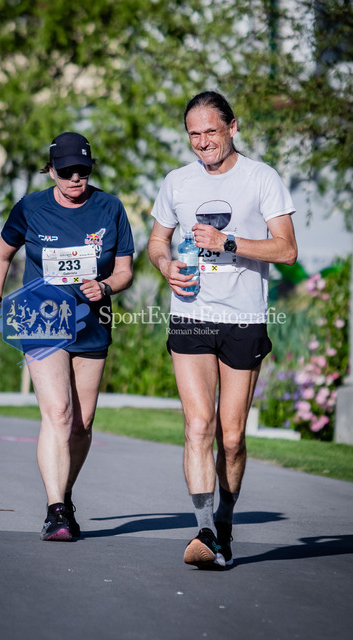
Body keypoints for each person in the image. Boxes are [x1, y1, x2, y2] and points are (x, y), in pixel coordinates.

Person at [148, 91, 297, 568]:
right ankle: (205, 531)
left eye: (211, 131)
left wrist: (227, 241)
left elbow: (286, 250)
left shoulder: (261, 177)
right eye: (194, 134)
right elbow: (157, 241)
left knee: (231, 437)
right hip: (191, 313)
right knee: (198, 425)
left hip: (244, 319)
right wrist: (165, 265)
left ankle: (225, 525)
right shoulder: (177, 182)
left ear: (233, 127)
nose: (203, 141)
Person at [0, 132, 134, 541]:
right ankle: (55, 511)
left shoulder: (111, 207)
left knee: (81, 424)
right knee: (59, 412)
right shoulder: (30, 207)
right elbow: (0, 256)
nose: (75, 178)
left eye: (83, 170)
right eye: (66, 172)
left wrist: (106, 286)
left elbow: (125, 271)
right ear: (51, 171)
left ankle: (63, 495)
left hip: (92, 322)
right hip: (40, 320)